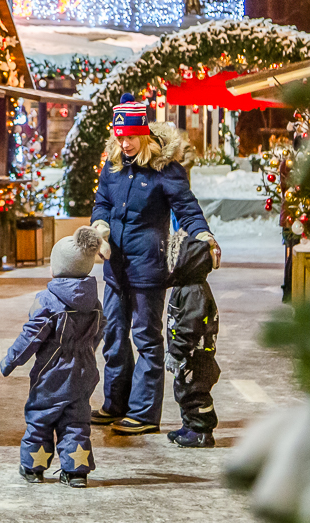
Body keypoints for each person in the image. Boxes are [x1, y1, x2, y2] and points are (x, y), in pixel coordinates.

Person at [90, 94, 220, 435]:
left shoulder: (165, 169)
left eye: (131, 136)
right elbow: (102, 202)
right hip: (114, 267)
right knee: (114, 337)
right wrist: (100, 226)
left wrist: (204, 235)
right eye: (120, 136)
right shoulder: (113, 166)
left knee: (146, 338)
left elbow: (187, 210)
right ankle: (115, 403)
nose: (125, 143)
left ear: (144, 134)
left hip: (147, 268)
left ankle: (144, 413)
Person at [1, 226, 108, 488]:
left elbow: (32, 335)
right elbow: (100, 329)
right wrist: (86, 351)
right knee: (76, 420)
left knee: (41, 415)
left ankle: (33, 467)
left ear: (57, 269)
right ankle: (76, 472)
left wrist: (11, 360)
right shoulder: (94, 302)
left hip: (52, 373)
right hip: (84, 371)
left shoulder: (48, 300)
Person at [164, 229, 220, 448]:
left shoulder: (194, 292)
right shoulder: (185, 286)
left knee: (195, 392)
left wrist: (177, 351)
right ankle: (190, 426)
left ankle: (201, 432)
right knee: (184, 391)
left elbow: (190, 326)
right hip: (188, 354)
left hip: (196, 356)